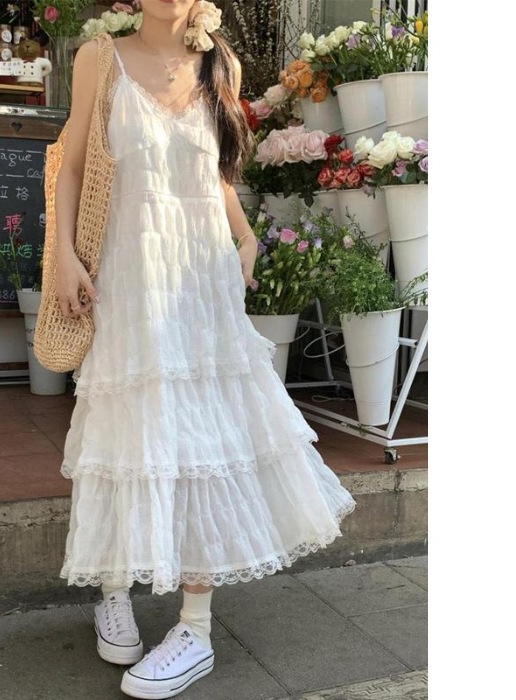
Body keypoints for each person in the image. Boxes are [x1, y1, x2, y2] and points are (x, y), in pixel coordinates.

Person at [51, 2, 356, 698]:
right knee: (123, 428)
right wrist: (65, 254)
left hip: (202, 279)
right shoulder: (99, 58)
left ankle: (196, 628)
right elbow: (72, 166)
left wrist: (245, 237)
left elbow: (216, 176)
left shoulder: (222, 62)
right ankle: (114, 586)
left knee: (204, 438)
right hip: (127, 274)